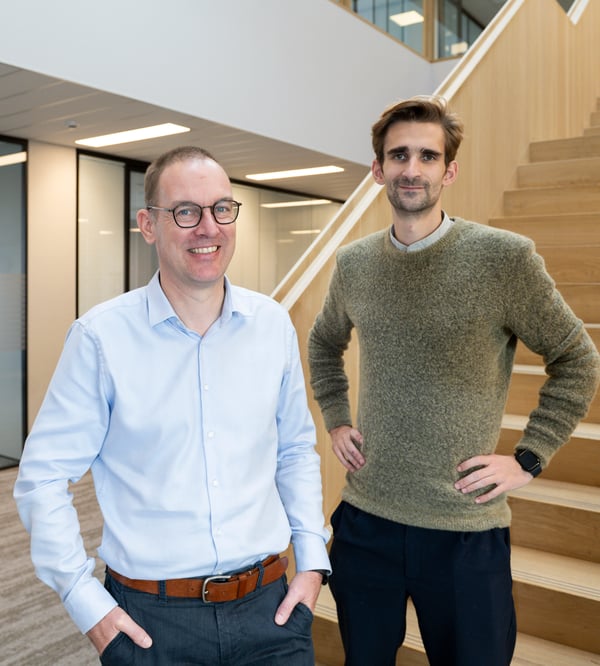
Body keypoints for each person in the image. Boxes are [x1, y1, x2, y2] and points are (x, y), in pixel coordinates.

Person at [307, 96, 600, 666]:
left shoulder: (504, 259)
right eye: (398, 156)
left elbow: (577, 357)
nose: (411, 169)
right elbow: (324, 343)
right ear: (378, 169)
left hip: (465, 529)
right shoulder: (355, 264)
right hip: (367, 521)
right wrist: (336, 418)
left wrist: (529, 457)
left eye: (426, 155)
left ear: (449, 170)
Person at [14, 146, 330, 665]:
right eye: (186, 212)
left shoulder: (272, 325)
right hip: (152, 624)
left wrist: (312, 562)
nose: (208, 228)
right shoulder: (101, 338)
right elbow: (42, 478)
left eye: (221, 209)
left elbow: (295, 450)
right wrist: (85, 603)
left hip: (272, 613)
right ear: (149, 225)